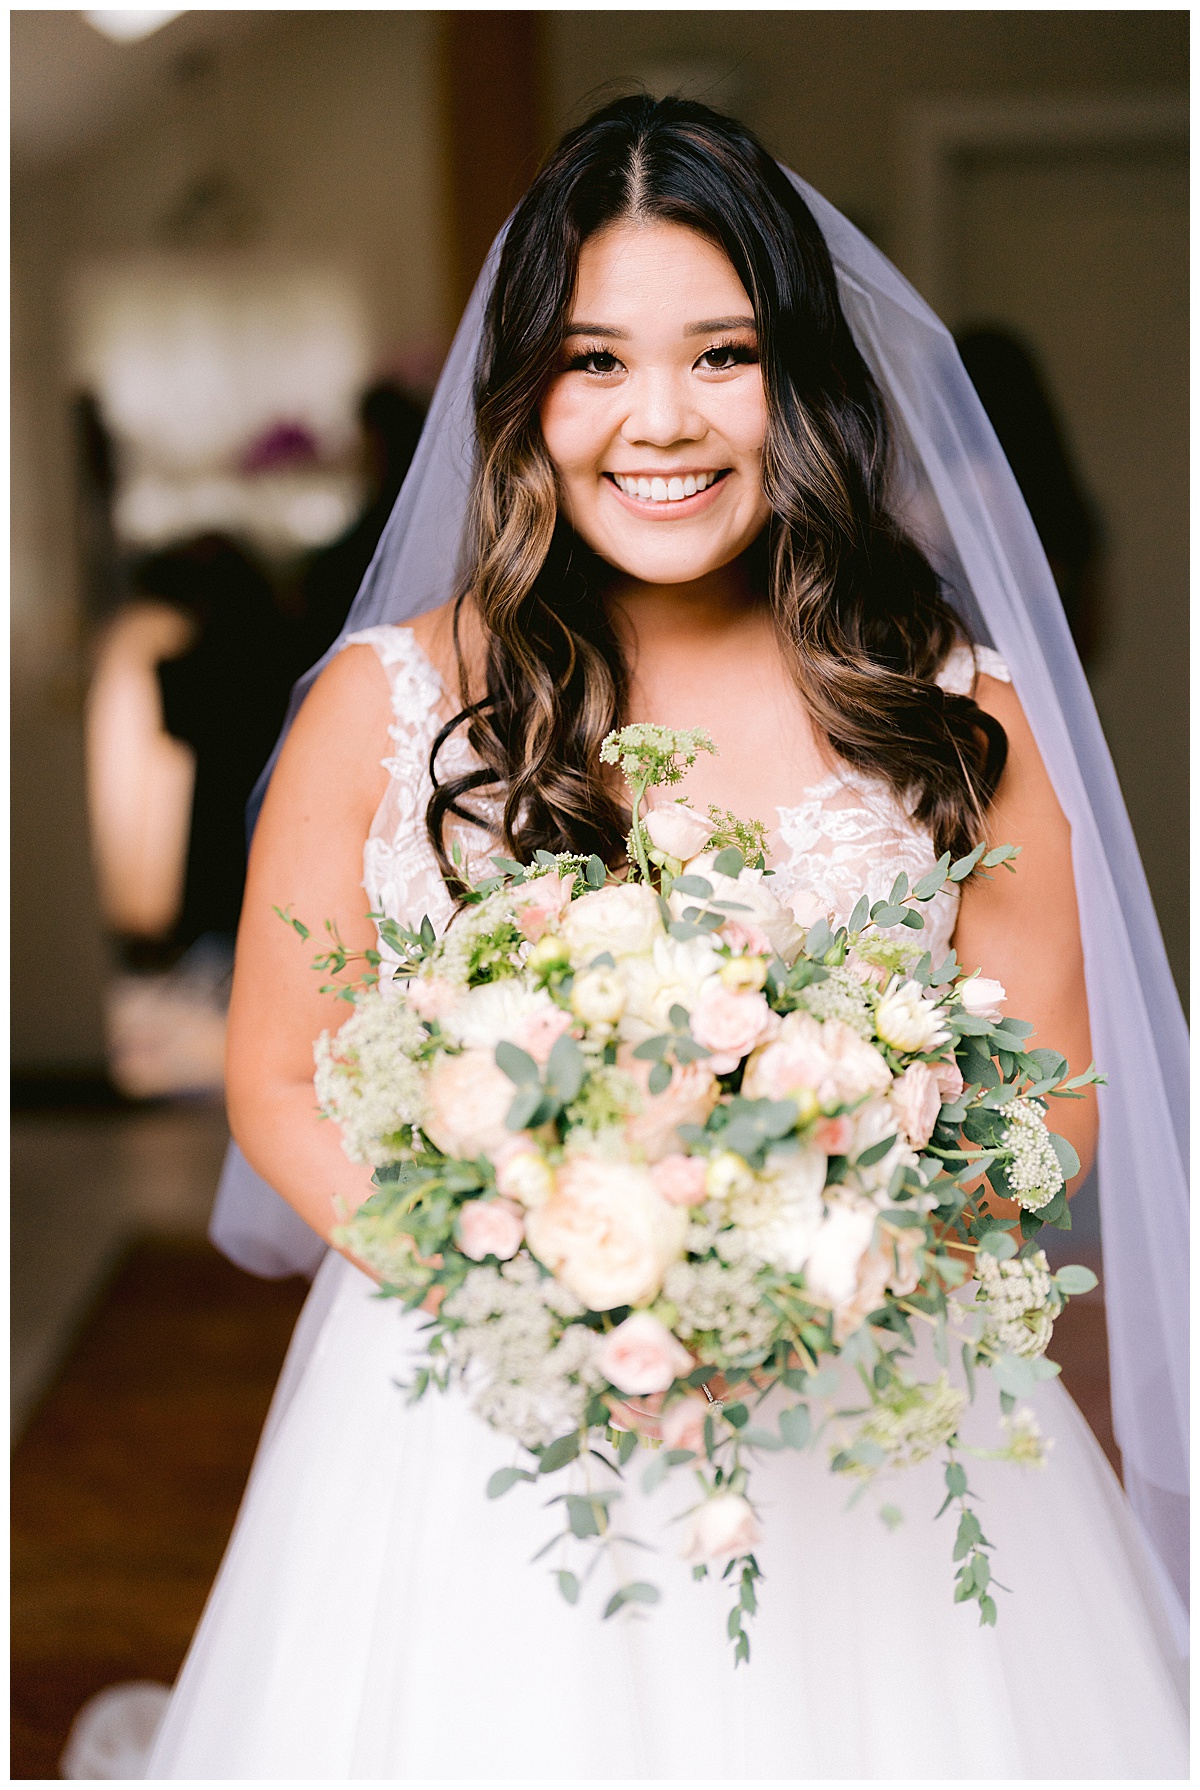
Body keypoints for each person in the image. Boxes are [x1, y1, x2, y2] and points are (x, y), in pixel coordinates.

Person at [138, 98, 1184, 1777]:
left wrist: (813, 1267)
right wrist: (537, 1297)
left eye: (723, 354)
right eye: (598, 360)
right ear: (526, 398)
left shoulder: (953, 716)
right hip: (478, 1428)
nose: (662, 420)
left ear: (803, 385)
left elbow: (1057, 1097)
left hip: (874, 1430)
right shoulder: (387, 705)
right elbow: (276, 1075)